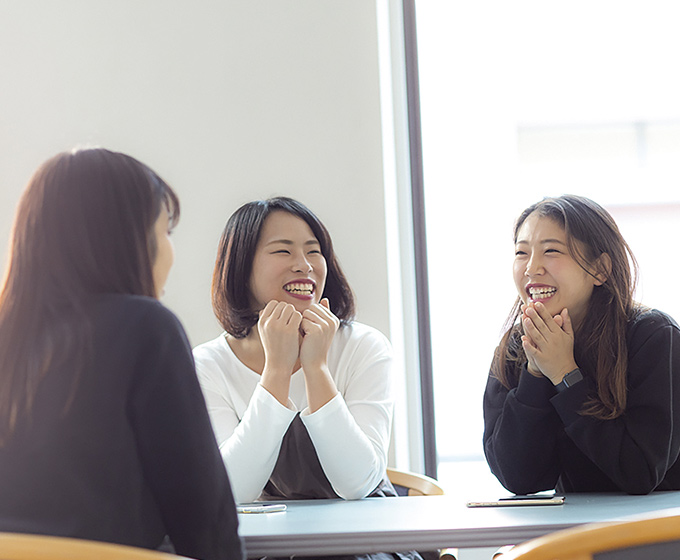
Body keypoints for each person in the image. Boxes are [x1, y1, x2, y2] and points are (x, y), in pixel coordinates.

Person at [0, 148, 243, 560]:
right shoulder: (146, 328)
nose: (170, 251)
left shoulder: (10, 337)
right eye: (165, 231)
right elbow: (205, 521)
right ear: (128, 240)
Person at [193, 197, 396, 505]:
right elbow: (232, 490)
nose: (304, 265)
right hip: (269, 534)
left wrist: (317, 368)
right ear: (241, 268)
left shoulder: (364, 346)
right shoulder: (208, 364)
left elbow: (358, 484)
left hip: (365, 531)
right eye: (283, 251)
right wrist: (277, 369)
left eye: (314, 251)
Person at [483, 194, 680, 496]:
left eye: (551, 251)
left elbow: (639, 472)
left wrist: (565, 374)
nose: (532, 268)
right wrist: (535, 373)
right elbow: (519, 479)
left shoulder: (653, 336)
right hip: (573, 525)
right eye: (522, 253)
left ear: (600, 269)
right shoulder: (516, 346)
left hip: (656, 523)